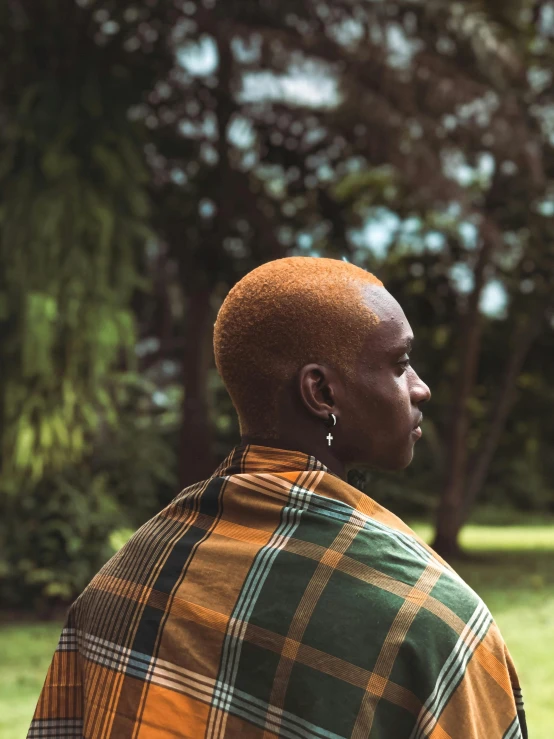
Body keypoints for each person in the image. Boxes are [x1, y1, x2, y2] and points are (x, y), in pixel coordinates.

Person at [29, 257, 526, 738]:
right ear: (322, 394)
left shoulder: (121, 584)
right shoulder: (430, 621)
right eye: (399, 365)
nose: (421, 389)